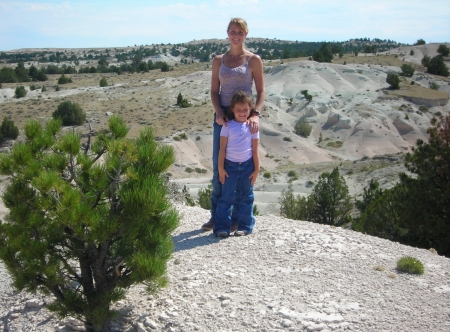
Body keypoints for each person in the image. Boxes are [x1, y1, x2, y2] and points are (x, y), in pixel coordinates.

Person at [201, 17, 265, 231]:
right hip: (224, 119)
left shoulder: (253, 60)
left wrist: (255, 114)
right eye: (232, 31)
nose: (236, 35)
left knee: (243, 167)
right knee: (220, 169)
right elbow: (213, 91)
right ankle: (216, 217)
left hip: (245, 120)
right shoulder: (219, 60)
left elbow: (261, 91)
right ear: (227, 33)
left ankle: (238, 218)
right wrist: (219, 113)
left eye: (240, 32)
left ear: (245, 34)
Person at [214, 91, 260, 238]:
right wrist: (221, 168)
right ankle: (222, 227)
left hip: (247, 166)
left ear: (250, 109)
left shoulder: (252, 127)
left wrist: (257, 169)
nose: (242, 113)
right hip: (230, 166)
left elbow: (255, 150)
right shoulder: (227, 126)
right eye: (238, 110)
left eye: (245, 110)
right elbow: (222, 149)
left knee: (246, 196)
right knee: (226, 197)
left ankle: (245, 226)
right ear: (232, 109)